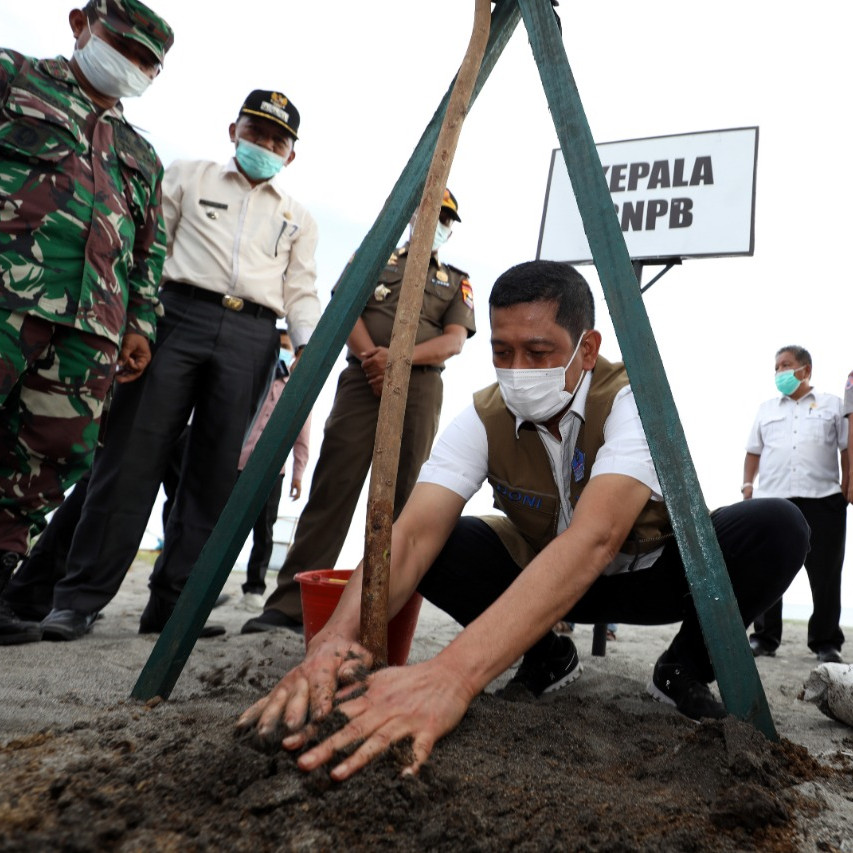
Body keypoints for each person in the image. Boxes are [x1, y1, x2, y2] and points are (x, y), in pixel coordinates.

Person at [236, 260, 809, 781]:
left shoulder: (637, 400)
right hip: (540, 587)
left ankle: (684, 667)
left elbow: (597, 537)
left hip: (654, 575)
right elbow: (409, 535)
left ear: (588, 349)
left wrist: (451, 676)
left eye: (538, 353)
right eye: (502, 352)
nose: (517, 371)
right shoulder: (482, 415)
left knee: (778, 525)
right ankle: (545, 655)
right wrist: (334, 640)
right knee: (442, 541)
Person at [3, 89, 321, 642]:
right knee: (128, 458)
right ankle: (78, 600)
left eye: (278, 140)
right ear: (234, 131)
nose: (265, 146)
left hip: (253, 336)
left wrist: (310, 351)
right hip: (175, 317)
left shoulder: (298, 217)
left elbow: (301, 292)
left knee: (215, 475)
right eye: (257, 132)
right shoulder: (186, 176)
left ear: (291, 154)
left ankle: (174, 606)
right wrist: (135, 322)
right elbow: (150, 250)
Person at [0, 0, 174, 646]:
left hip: (91, 331)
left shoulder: (140, 154)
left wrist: (141, 325)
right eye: (124, 47)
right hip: (9, 302)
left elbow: (147, 251)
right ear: (81, 25)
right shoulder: (15, 80)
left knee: (47, 458)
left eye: (147, 62)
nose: (132, 66)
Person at [242, 189, 475, 634]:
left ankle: (387, 611)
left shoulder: (454, 279)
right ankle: (289, 605)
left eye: (445, 217)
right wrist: (375, 361)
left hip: (420, 388)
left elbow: (454, 341)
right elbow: (346, 310)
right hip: (361, 383)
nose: (436, 222)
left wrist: (399, 360)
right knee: (334, 484)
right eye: (429, 212)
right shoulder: (372, 259)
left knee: (407, 500)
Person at [744, 346, 848, 663]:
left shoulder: (832, 405)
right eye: (776, 367)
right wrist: (748, 485)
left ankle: (826, 642)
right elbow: (753, 451)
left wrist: (849, 482)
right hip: (773, 501)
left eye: (786, 365)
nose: (780, 372)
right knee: (768, 569)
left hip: (824, 499)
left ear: (806, 369)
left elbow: (847, 447)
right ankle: (764, 637)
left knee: (826, 573)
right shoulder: (765, 409)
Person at [236, 328, 312, 612]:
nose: (281, 350)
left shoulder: (298, 388)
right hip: (233, 461)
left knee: (263, 530)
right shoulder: (252, 377)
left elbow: (303, 436)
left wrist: (297, 474)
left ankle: (254, 588)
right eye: (277, 344)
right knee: (214, 521)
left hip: (271, 471)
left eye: (286, 346)